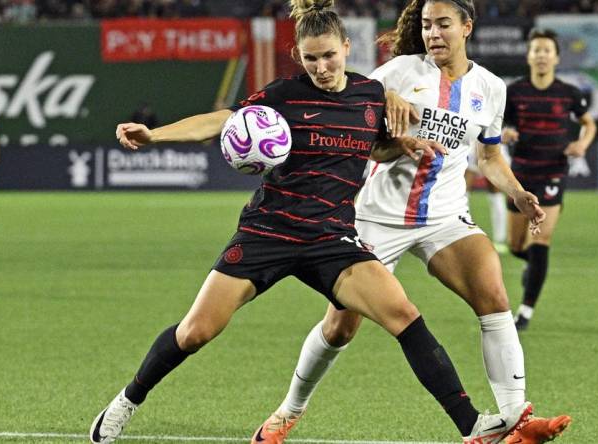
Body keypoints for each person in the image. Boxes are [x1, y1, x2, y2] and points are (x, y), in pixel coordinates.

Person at [89, 1, 533, 443]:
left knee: (404, 315)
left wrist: (406, 145)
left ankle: (473, 426)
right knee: (195, 331)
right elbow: (226, 120)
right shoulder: (284, 95)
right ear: (299, 58)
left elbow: (377, 147)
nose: (321, 67)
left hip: (332, 238)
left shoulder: (370, 96)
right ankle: (128, 400)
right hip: (269, 231)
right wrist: (156, 134)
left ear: (346, 47)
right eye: (311, 58)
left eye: (329, 55)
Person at [251, 2, 571, 444]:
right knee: (340, 326)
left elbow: (490, 156)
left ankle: (516, 418)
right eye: (426, 26)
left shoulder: (490, 88)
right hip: (377, 218)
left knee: (494, 294)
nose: (433, 34)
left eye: (443, 25)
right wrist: (384, 107)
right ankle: (287, 412)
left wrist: (517, 193)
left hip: (444, 217)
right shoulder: (397, 73)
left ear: (467, 27)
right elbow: (346, 107)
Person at [503, 28, 596, 331]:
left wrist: (582, 143)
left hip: (553, 171)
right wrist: (506, 133)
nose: (542, 55)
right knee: (517, 244)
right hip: (520, 176)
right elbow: (500, 126)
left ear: (556, 57)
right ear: (529, 55)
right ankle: (533, 264)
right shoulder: (514, 92)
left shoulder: (569, 93)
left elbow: (588, 123)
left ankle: (525, 312)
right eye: (537, 50)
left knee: (541, 239)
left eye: (547, 50)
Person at [465, 145, 509, 254]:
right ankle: (464, 237)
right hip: (476, 147)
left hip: (492, 148)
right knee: (463, 195)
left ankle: (499, 240)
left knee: (496, 194)